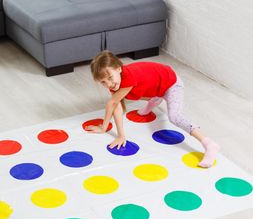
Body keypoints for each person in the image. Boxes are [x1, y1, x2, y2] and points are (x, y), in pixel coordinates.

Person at [86, 50, 219, 168]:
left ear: (119, 69)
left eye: (110, 78)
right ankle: (156, 98)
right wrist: (120, 135)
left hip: (172, 85)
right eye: (103, 82)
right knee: (132, 93)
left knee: (174, 117)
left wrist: (106, 129)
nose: (109, 84)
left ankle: (208, 144)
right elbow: (116, 106)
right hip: (157, 87)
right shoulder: (116, 82)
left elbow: (111, 104)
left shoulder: (128, 78)